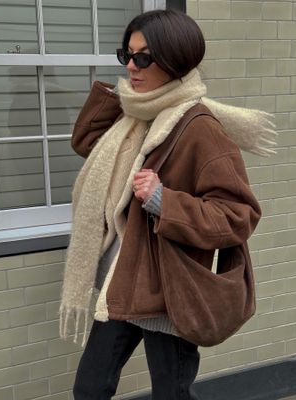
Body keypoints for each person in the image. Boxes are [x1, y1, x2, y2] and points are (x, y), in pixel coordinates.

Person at [59, 9, 276, 400]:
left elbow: (238, 216)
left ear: (175, 60)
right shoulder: (138, 115)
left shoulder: (200, 129)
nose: (131, 66)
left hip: (168, 290)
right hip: (123, 282)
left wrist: (163, 200)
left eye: (143, 58)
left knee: (171, 394)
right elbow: (88, 143)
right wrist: (124, 97)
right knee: (89, 389)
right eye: (126, 54)